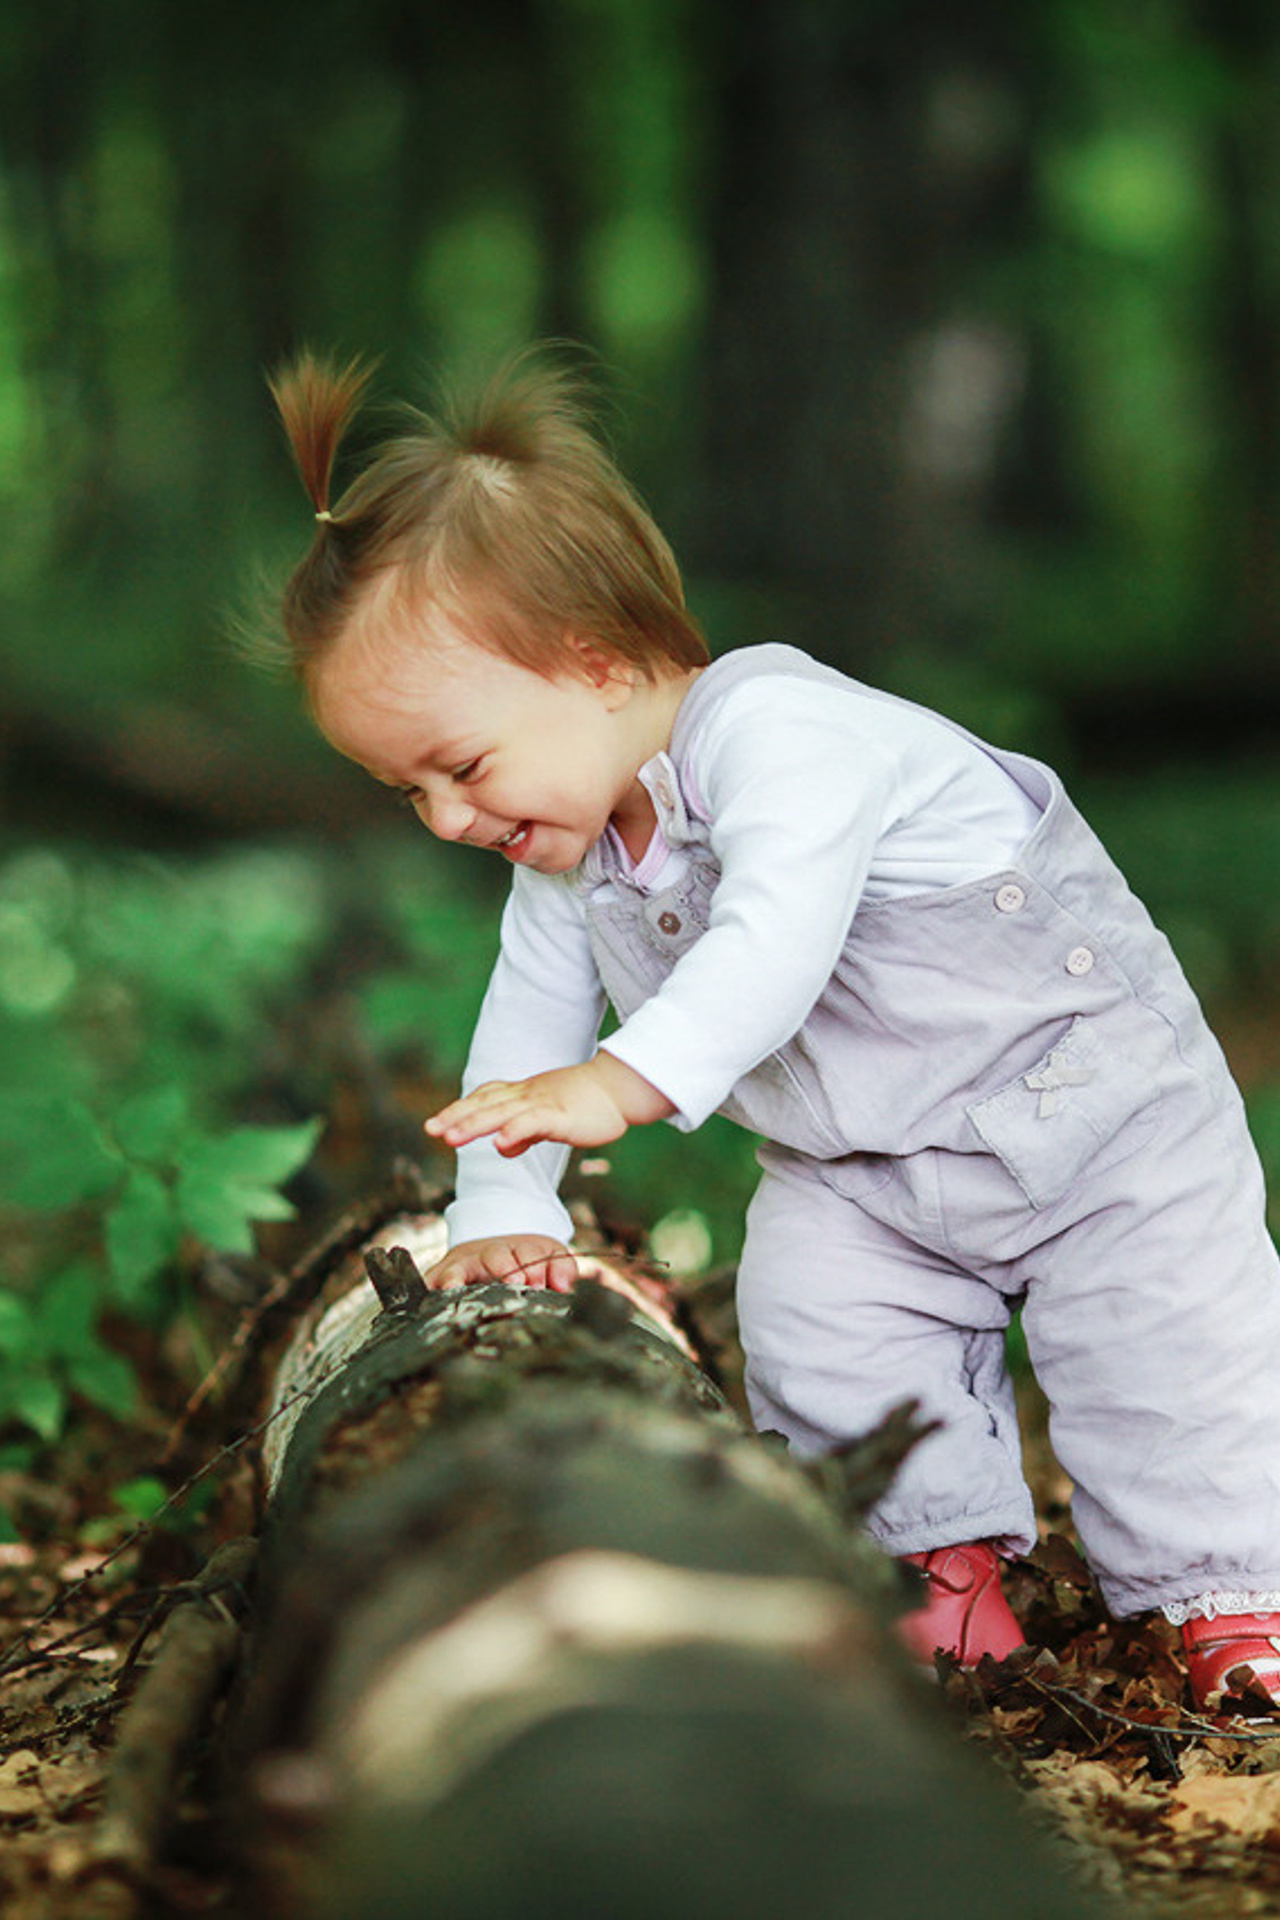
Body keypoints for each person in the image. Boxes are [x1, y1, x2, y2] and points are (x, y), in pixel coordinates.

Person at [266, 347, 1280, 1710]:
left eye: (462, 766)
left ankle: (1229, 1596)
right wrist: (503, 1204)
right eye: (410, 792)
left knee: (1167, 1360)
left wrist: (623, 1083)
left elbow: (776, 939)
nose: (448, 818)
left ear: (594, 663)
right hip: (865, 1168)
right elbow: (528, 1018)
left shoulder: (783, 733)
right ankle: (931, 1570)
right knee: (816, 1329)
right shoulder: (570, 857)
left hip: (1097, 1118)